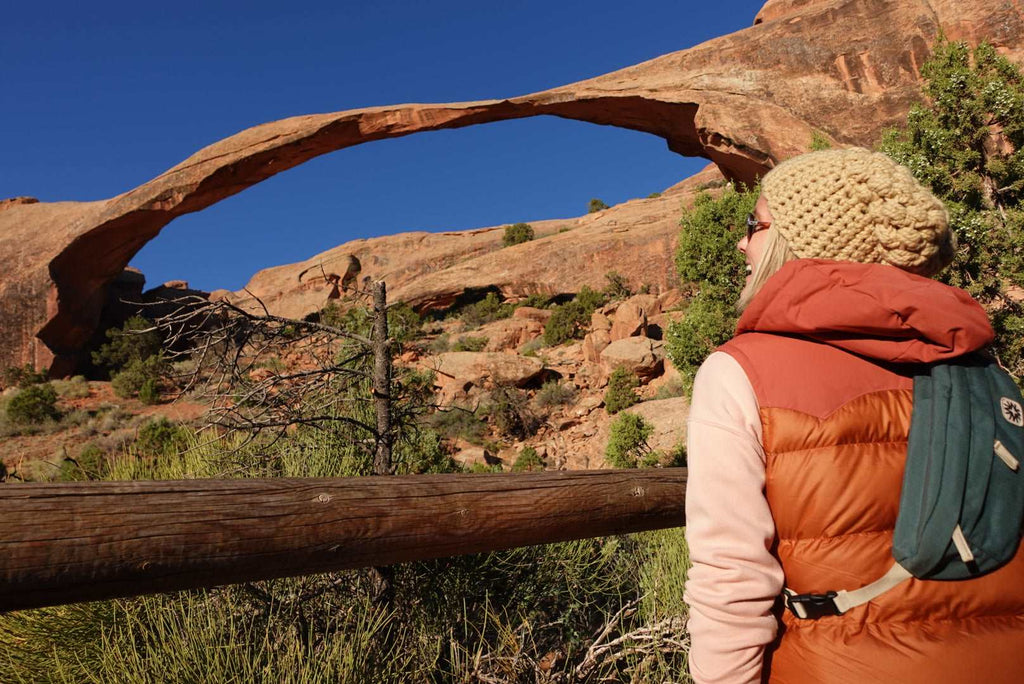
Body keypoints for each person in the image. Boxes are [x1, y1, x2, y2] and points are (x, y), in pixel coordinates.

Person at [682, 148, 1024, 683]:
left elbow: (731, 582)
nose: (742, 242)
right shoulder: (983, 369)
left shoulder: (740, 372)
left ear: (801, 244)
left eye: (756, 224)